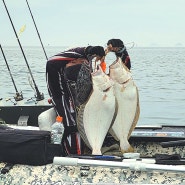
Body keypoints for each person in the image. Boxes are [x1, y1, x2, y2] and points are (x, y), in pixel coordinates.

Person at [46, 46, 105, 155]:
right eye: (72, 62)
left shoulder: (85, 74)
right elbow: (51, 61)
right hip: (70, 126)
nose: (76, 63)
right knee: (74, 135)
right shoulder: (57, 83)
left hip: (87, 122)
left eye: (82, 61)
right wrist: (85, 50)